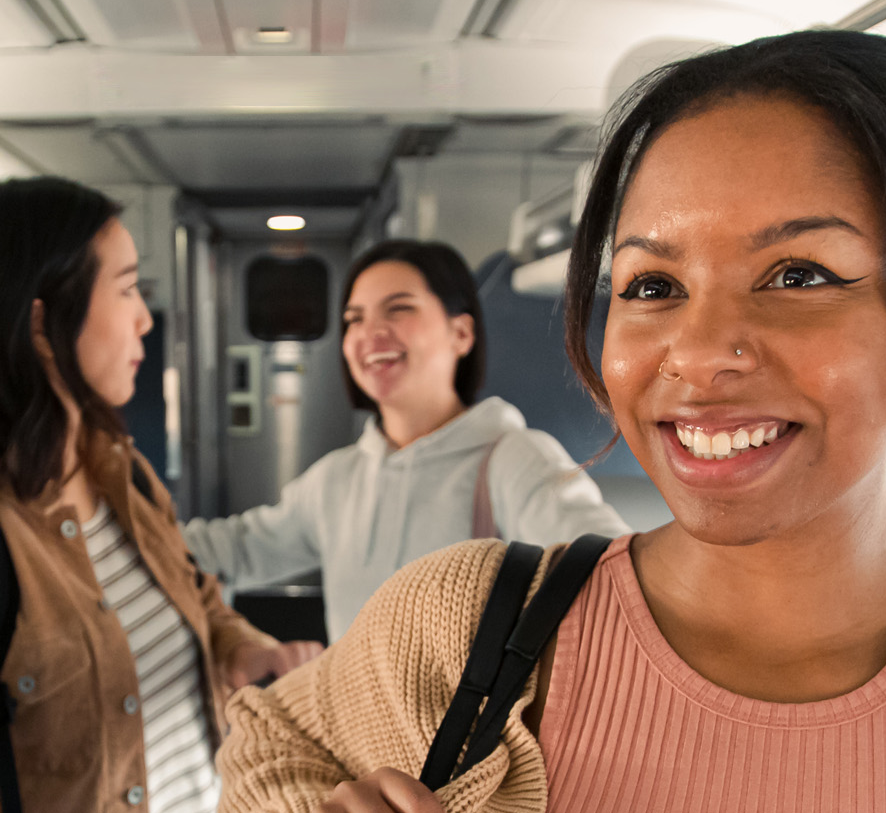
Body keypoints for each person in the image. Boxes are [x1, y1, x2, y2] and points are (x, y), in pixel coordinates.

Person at [213, 31, 886, 813]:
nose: (701, 352)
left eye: (797, 273)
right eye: (652, 286)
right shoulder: (463, 627)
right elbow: (269, 745)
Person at [0, 176, 321, 813]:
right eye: (125, 288)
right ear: (41, 324)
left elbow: (198, 596)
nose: (146, 318)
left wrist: (243, 648)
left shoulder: (121, 473)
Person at [182, 240, 629, 641]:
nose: (370, 333)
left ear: (462, 333)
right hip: (360, 729)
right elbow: (236, 551)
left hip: (468, 733)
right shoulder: (337, 480)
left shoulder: (513, 460)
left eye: (399, 309)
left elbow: (609, 574)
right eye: (354, 319)